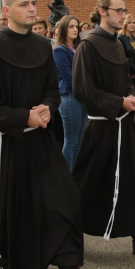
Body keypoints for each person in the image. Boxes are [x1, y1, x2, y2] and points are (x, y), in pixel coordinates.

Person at [0, 0, 101, 269]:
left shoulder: (44, 46)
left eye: (34, 3)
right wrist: (21, 116)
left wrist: (47, 108)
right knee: (16, 208)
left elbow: (52, 89)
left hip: (40, 139)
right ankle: (12, 263)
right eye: (24, 4)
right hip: (8, 144)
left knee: (64, 200)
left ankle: (69, 268)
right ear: (6, 10)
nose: (32, 9)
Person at [72, 0, 135, 260]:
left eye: (124, 11)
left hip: (123, 124)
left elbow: (125, 79)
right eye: (118, 11)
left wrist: (131, 97)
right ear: (102, 11)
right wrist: (118, 102)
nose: (123, 15)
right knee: (87, 184)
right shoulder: (88, 44)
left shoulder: (117, 44)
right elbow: (82, 89)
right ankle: (64, 236)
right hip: (101, 126)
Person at [53, 15, 87, 171]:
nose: (75, 29)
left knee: (79, 140)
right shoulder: (60, 50)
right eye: (71, 26)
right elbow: (70, 78)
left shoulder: (78, 47)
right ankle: (66, 178)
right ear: (64, 29)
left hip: (81, 97)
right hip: (69, 97)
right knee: (71, 141)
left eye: (76, 26)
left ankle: (74, 175)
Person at [118, 14, 135, 95]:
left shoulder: (134, 38)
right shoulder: (120, 38)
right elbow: (123, 58)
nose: (132, 24)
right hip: (128, 74)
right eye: (129, 22)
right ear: (125, 23)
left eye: (134, 22)